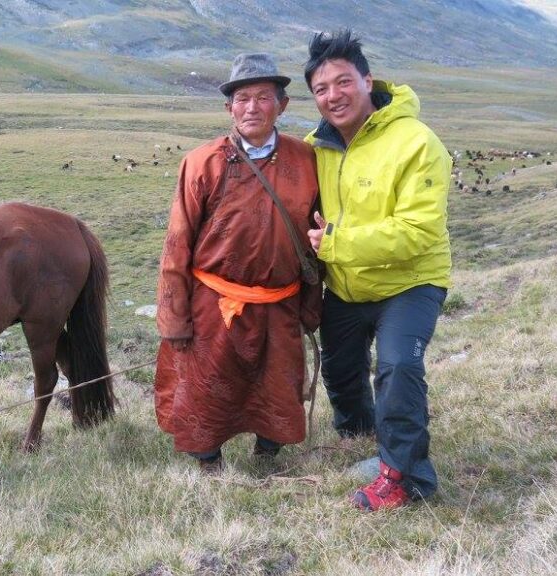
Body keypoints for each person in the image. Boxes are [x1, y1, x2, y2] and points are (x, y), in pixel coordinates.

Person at [303, 30, 452, 511]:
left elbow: (418, 231)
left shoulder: (417, 142)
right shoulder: (317, 147)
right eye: (321, 89)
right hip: (348, 285)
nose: (333, 96)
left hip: (410, 282)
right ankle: (359, 434)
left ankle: (407, 479)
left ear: (368, 81)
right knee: (341, 368)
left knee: (398, 368)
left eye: (343, 82)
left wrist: (336, 244)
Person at [155, 53, 322, 473]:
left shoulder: (307, 161)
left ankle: (268, 456)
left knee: (278, 384)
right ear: (229, 108)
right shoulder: (201, 162)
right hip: (213, 304)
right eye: (242, 98)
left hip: (281, 300)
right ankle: (209, 463)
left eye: (263, 97)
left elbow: (317, 240)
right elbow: (177, 243)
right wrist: (173, 318)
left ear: (281, 105)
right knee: (208, 388)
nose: (252, 107)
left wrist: (311, 305)